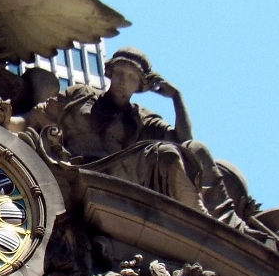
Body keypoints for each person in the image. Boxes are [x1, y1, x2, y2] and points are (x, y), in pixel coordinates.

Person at [52, 46, 236, 219]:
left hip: (116, 173)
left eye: (132, 77)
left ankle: (205, 217)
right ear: (110, 72)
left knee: (180, 152)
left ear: (141, 85)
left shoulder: (142, 118)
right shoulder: (80, 94)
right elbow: (38, 115)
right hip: (75, 164)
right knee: (168, 152)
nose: (123, 81)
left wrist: (176, 97)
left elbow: (184, 140)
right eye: (119, 73)